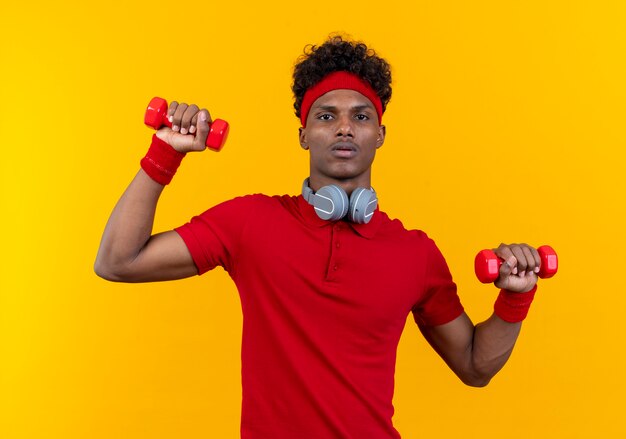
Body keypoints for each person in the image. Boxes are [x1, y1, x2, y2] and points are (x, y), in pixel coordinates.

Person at [95, 35, 543, 439]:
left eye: (360, 116)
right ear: (304, 136)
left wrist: (515, 298)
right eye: (327, 116)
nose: (345, 127)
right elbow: (117, 261)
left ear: (380, 134)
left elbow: (475, 366)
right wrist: (166, 150)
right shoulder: (250, 222)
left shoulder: (416, 253)